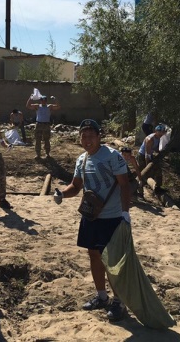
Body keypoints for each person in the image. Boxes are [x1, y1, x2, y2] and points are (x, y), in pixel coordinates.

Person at [53, 119, 131, 322]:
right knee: (94, 256)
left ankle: (119, 302)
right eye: (83, 136)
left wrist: (125, 213)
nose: (87, 140)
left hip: (112, 217)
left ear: (99, 137)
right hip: (90, 216)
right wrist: (62, 194)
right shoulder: (82, 159)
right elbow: (76, 186)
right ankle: (102, 296)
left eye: (90, 136)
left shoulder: (112, 156)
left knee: (112, 261)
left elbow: (124, 185)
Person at [26, 94, 60, 159]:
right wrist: (30, 98)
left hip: (46, 124)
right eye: (42, 100)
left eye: (44, 100)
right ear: (40, 101)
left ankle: (47, 153)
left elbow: (58, 106)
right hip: (39, 124)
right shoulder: (37, 106)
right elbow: (28, 106)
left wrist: (55, 99)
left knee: (46, 139)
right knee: (38, 139)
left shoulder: (49, 106)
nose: (43, 101)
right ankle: (38, 154)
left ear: (46, 101)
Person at [136, 124, 167, 190]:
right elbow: (147, 154)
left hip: (150, 154)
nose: (161, 133)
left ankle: (158, 187)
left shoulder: (159, 138)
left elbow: (156, 148)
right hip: (142, 156)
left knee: (158, 170)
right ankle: (138, 188)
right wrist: (148, 165)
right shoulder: (150, 139)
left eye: (162, 132)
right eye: (160, 132)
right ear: (156, 131)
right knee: (143, 173)